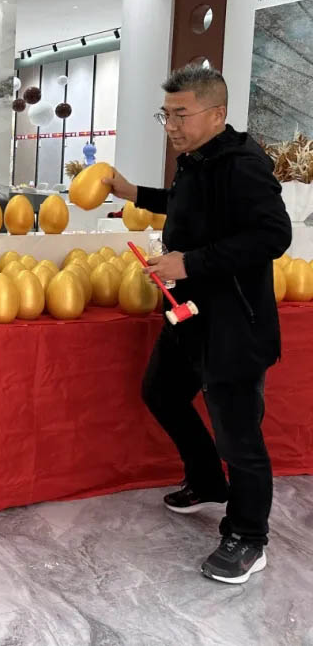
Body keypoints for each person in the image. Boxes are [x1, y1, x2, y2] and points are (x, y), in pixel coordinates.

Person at [103, 63, 291, 584]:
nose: (171, 126)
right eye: (166, 115)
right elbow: (189, 208)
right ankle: (208, 481)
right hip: (189, 316)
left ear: (217, 113)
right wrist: (135, 193)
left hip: (235, 325)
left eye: (180, 115)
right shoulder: (197, 160)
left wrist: (190, 263)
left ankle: (248, 537)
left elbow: (273, 236)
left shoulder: (243, 165)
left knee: (239, 437)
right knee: (161, 393)